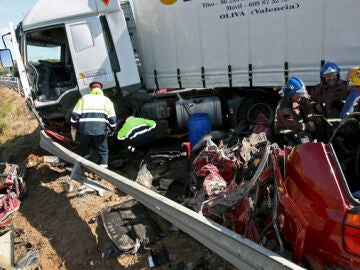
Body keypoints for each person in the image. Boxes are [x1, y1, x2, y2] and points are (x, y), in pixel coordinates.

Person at [70, 81, 116, 168]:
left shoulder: (83, 98)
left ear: (91, 89)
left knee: (82, 149)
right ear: (100, 89)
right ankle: (104, 173)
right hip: (100, 130)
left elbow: (75, 115)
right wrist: (112, 130)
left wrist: (74, 125)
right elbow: (112, 118)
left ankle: (78, 167)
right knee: (103, 151)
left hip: (84, 130)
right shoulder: (107, 100)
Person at [274, 77, 316, 145]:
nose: (300, 96)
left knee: (309, 140)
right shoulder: (284, 108)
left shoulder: (294, 101)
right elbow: (290, 124)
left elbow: (307, 110)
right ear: (290, 94)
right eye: (298, 94)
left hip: (296, 132)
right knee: (306, 143)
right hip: (287, 135)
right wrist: (308, 125)